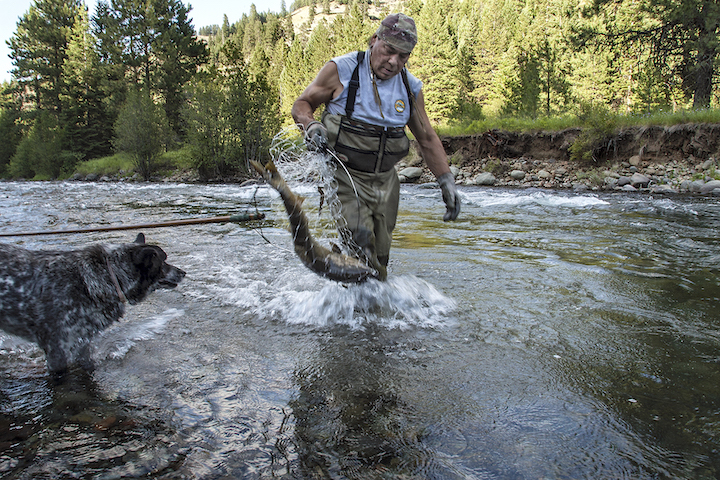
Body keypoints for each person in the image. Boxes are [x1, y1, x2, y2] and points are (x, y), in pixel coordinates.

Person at [291, 12, 461, 280]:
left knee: (379, 259)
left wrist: (446, 180)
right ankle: (359, 311)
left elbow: (427, 138)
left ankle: (365, 312)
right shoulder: (341, 70)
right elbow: (302, 104)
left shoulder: (410, 88)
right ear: (374, 40)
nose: (393, 62)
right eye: (389, 51)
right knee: (360, 240)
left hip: (385, 181)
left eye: (403, 56)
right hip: (345, 174)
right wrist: (311, 125)